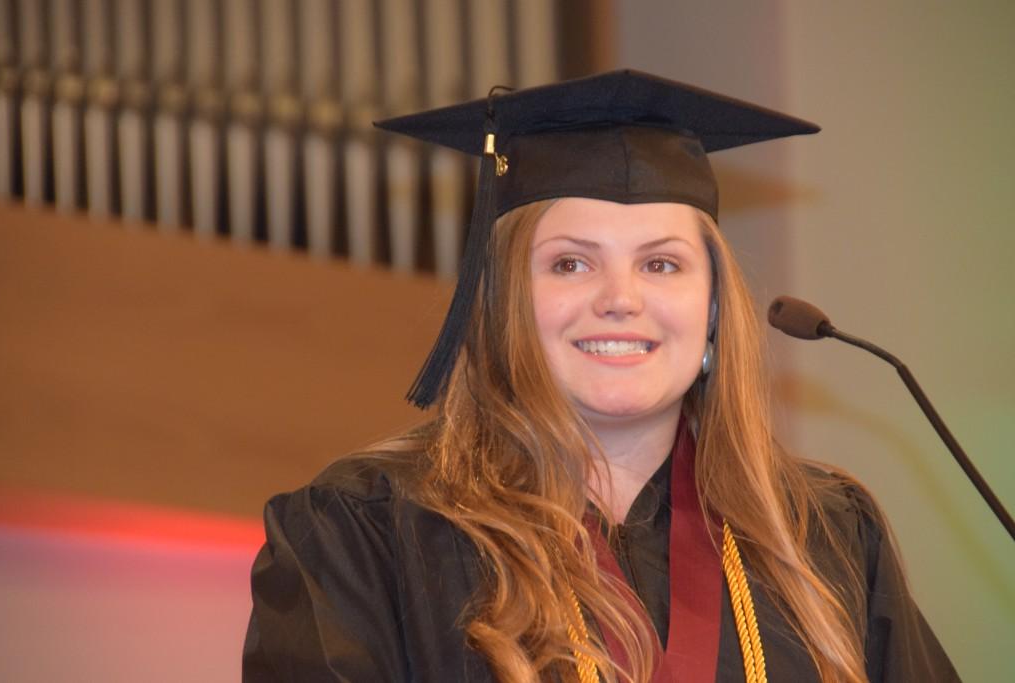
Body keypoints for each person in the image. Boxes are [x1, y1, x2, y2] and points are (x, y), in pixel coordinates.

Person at [243, 70, 959, 682]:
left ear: (713, 309)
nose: (621, 297)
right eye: (571, 262)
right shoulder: (366, 532)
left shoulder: (824, 535)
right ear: (500, 302)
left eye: (661, 263)